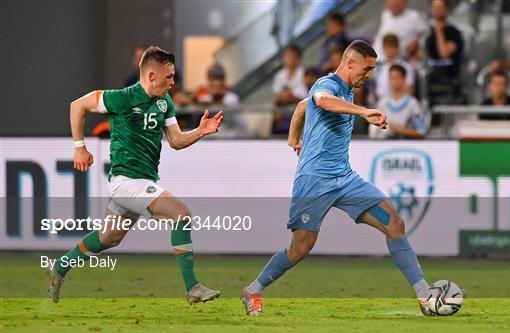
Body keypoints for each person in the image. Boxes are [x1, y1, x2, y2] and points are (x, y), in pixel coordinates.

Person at [240, 40, 439, 317]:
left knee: (395, 222)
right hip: (313, 181)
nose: (368, 75)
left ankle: (424, 294)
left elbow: (301, 107)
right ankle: (253, 289)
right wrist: (363, 112)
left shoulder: (347, 91)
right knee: (301, 248)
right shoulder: (328, 84)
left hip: (345, 178)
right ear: (349, 63)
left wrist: (293, 138)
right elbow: (319, 100)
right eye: (366, 68)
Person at [47, 46, 223, 304]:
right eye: (169, 76)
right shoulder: (122, 98)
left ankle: (60, 267)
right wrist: (79, 148)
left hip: (142, 182)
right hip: (126, 182)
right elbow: (77, 106)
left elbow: (175, 141)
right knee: (182, 215)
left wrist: (199, 131)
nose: (174, 82)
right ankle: (193, 287)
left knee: (109, 237)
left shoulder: (164, 102)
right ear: (151, 76)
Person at [370, 64, 427, 139]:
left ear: (404, 79)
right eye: (392, 78)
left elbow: (421, 132)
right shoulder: (382, 103)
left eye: (397, 78)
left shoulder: (413, 103)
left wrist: (398, 130)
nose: (394, 81)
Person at [425, 0, 464, 101]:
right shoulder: (429, 35)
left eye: (440, 7)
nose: (437, 11)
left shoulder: (454, 33)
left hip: (449, 75)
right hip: (431, 75)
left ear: (447, 9)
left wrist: (439, 31)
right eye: (435, 8)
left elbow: (444, 53)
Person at [272, 45, 308, 134]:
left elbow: (304, 97)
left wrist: (289, 97)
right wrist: (287, 97)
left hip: (300, 111)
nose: (287, 58)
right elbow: (276, 96)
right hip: (282, 112)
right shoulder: (279, 75)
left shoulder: (304, 73)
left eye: (290, 56)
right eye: (286, 56)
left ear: (298, 59)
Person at [375, 34, 415, 99]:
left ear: (397, 48)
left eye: (391, 47)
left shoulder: (407, 67)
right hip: (385, 103)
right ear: (383, 49)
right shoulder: (381, 69)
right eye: (386, 48)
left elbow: (410, 90)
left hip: (402, 102)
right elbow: (380, 93)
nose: (389, 51)